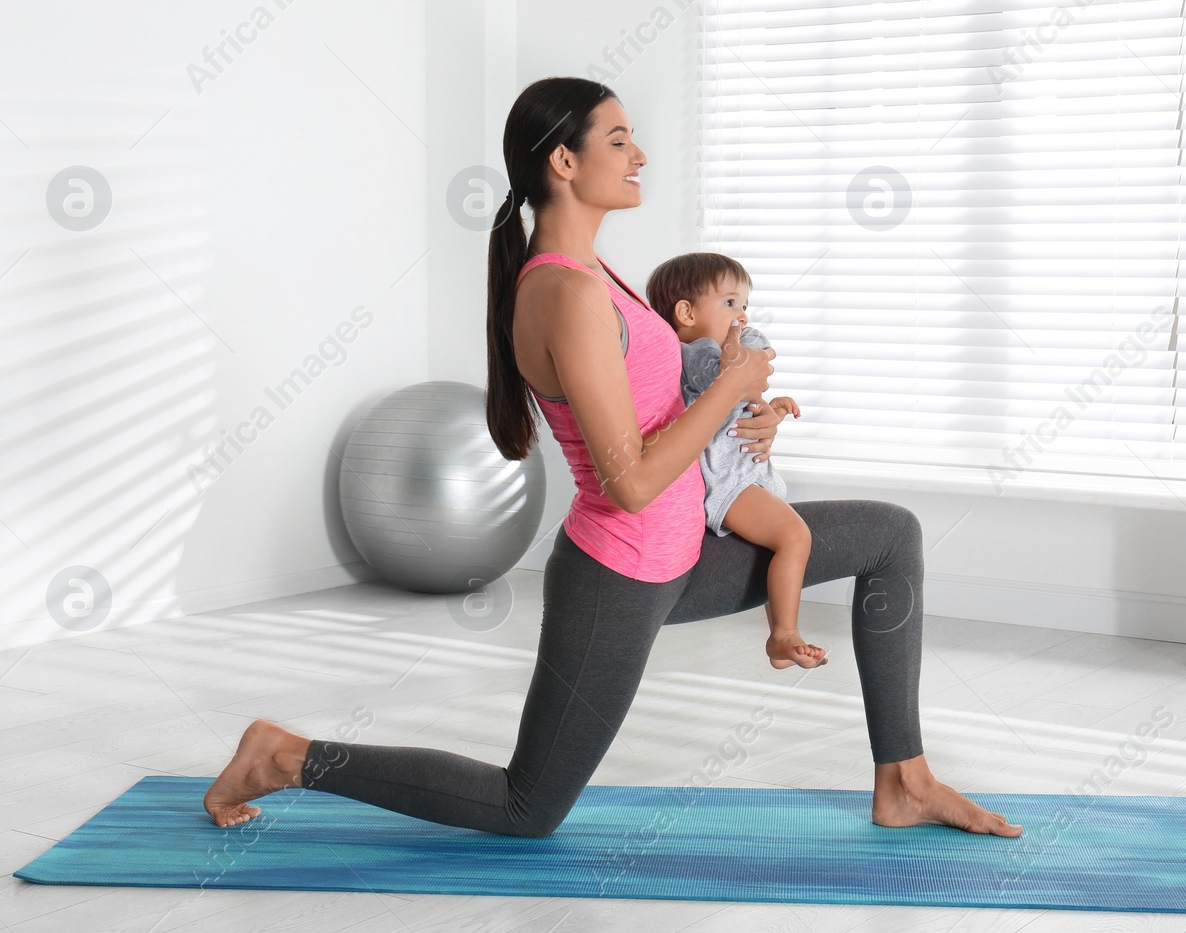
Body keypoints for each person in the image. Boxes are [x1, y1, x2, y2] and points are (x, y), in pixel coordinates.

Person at [202, 76, 1022, 842]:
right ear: (564, 161)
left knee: (890, 536)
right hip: (619, 576)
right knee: (527, 807)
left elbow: (669, 409)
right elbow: (628, 481)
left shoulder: (602, 274)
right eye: (620, 140)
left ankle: (904, 777)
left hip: (688, 549)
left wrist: (747, 416)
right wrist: (728, 382)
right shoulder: (564, 291)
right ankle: (284, 755)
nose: (640, 156)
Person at [646, 252, 825, 671]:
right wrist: (738, 356)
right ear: (686, 313)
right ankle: (783, 634)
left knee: (789, 538)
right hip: (729, 485)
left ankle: (782, 636)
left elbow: (739, 408)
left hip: (749, 476)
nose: (742, 316)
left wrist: (772, 409)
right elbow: (718, 379)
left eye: (745, 305)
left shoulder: (722, 351)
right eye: (730, 304)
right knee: (795, 538)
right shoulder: (693, 354)